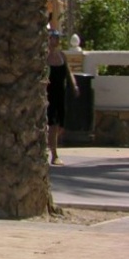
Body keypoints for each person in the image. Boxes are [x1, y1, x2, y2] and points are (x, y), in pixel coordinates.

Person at [46, 32, 80, 165]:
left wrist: (74, 85)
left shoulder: (62, 55)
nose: (56, 41)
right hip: (48, 94)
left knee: (60, 124)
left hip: (61, 93)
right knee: (52, 123)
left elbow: (68, 72)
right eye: (54, 38)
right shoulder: (45, 56)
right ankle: (54, 154)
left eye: (57, 38)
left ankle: (50, 143)